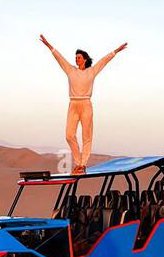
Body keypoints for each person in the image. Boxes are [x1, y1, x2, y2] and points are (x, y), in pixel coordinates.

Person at [39, 34, 127, 174]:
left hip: (86, 103)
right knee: (69, 135)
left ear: (85, 60)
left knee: (87, 135)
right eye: (75, 57)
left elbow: (104, 61)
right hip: (73, 103)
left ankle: (82, 164)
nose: (76, 59)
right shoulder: (70, 70)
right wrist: (48, 45)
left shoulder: (91, 71)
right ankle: (78, 161)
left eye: (79, 57)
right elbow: (59, 58)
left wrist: (115, 51)